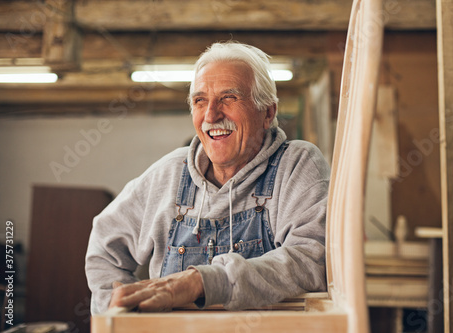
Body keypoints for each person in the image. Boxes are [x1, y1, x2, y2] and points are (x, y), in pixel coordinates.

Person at [85, 41, 330, 313]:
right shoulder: (168, 174)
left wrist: (203, 282)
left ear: (268, 113)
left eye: (229, 98)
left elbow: (311, 258)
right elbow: (103, 248)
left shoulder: (296, 165)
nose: (211, 115)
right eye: (200, 101)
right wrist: (120, 315)